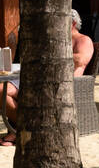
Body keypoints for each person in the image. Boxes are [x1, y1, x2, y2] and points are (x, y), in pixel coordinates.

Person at [2, 10, 94, 144]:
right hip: (39, 78)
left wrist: (51, 56)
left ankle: (19, 130)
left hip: (61, 83)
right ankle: (24, 127)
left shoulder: (83, 40)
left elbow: (81, 59)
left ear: (73, 23)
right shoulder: (57, 41)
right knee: (2, 90)